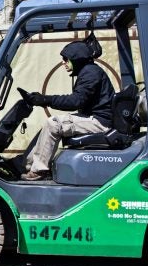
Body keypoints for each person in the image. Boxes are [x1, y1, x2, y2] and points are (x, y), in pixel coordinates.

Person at [20, 40, 114, 181]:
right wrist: (42, 100)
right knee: (50, 126)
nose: (63, 62)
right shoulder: (88, 71)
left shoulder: (90, 73)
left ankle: (39, 171)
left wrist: (46, 100)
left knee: (54, 123)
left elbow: (76, 101)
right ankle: (25, 164)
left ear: (76, 59)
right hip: (93, 118)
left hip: (100, 122)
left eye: (66, 59)